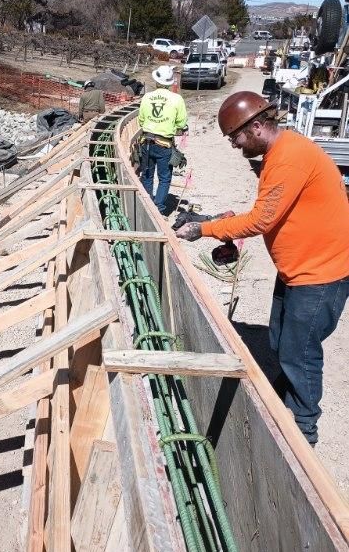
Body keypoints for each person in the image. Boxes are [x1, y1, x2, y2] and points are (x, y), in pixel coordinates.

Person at [175, 91, 349, 445]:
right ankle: (283, 398)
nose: (234, 145)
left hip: (320, 273)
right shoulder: (280, 153)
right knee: (280, 339)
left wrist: (203, 229)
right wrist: (225, 229)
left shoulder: (288, 159)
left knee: (299, 352)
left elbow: (262, 218)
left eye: (235, 137)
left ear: (256, 126)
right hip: (298, 267)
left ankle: (303, 429)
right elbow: (272, 213)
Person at [137, 65, 187, 213]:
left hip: (146, 142)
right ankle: (158, 207)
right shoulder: (177, 99)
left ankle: (147, 204)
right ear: (171, 82)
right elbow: (181, 123)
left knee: (147, 174)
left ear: (156, 80)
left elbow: (141, 120)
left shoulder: (147, 97)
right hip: (164, 144)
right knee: (164, 177)